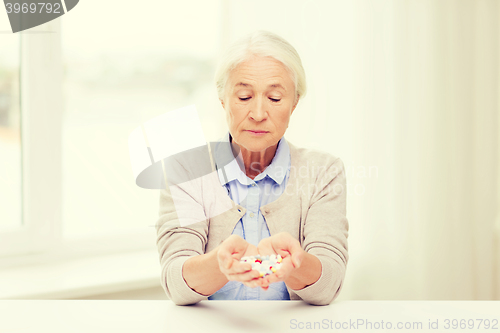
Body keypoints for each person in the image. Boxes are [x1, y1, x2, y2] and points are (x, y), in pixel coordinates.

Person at [155, 30, 348, 306]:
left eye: (275, 98)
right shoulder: (187, 169)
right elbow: (176, 284)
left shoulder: (324, 172)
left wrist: (296, 263)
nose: (258, 114)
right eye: (244, 97)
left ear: (294, 103)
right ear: (223, 100)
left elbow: (329, 285)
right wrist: (218, 263)